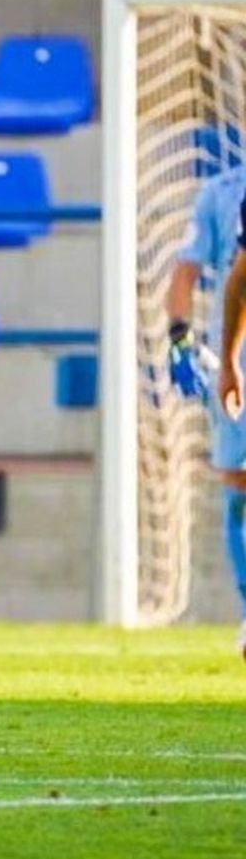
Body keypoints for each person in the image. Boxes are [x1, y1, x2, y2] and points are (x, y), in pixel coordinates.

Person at [184, 163, 246, 660]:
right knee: (239, 486)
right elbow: (237, 278)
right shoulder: (224, 192)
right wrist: (226, 361)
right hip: (242, 360)